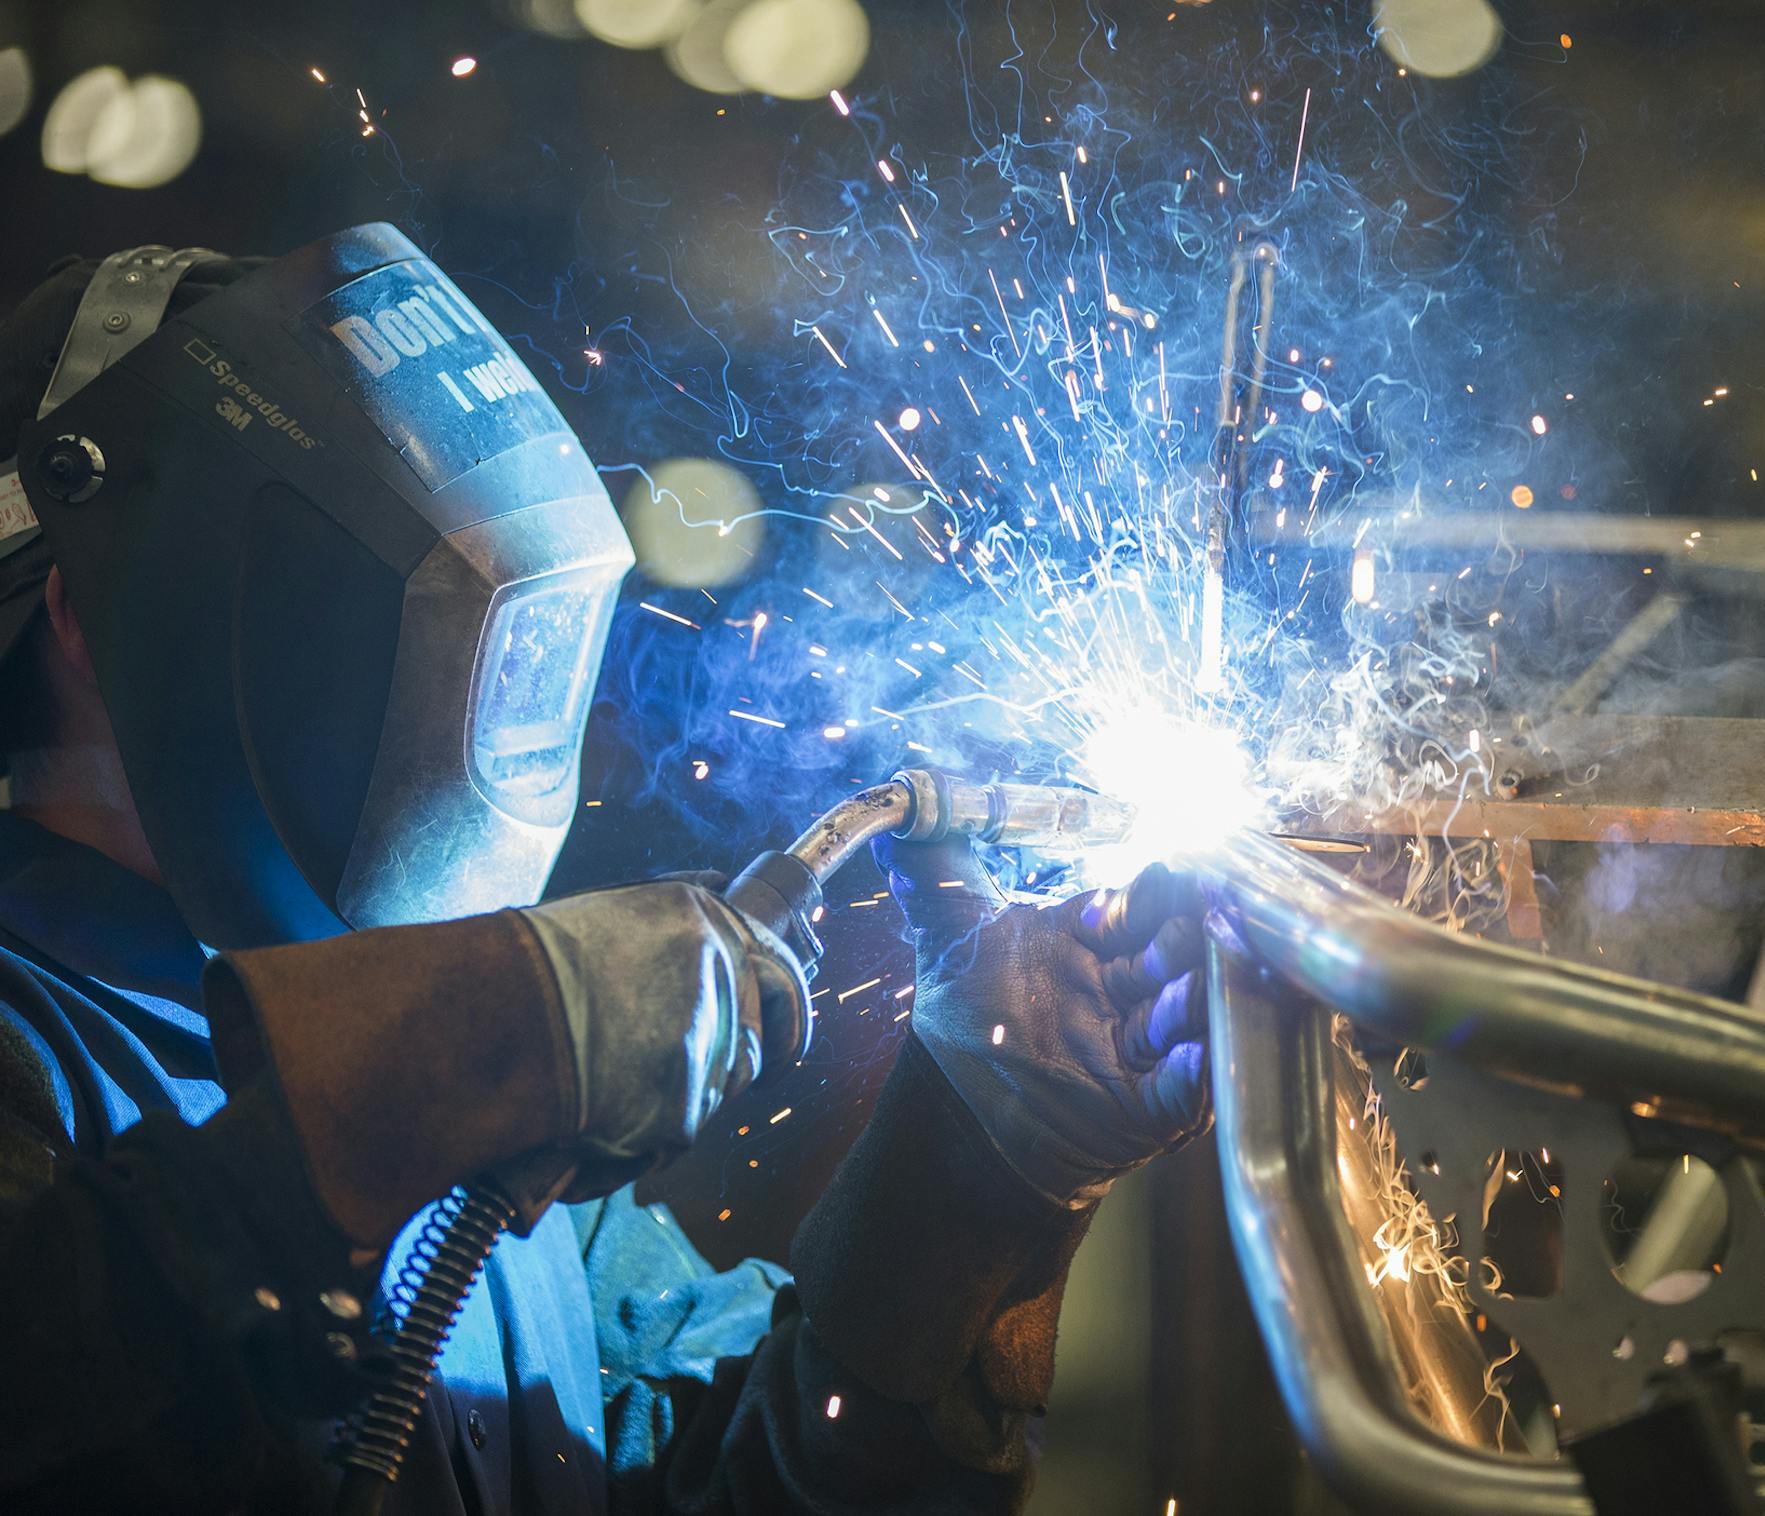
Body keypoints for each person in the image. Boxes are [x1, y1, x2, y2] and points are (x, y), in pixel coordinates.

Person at [0, 229, 1212, 1514]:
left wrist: (980, 1157)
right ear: (92, 614)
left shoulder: (516, 1169)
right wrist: (462, 1054)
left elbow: (750, 1482)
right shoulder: (40, 1057)